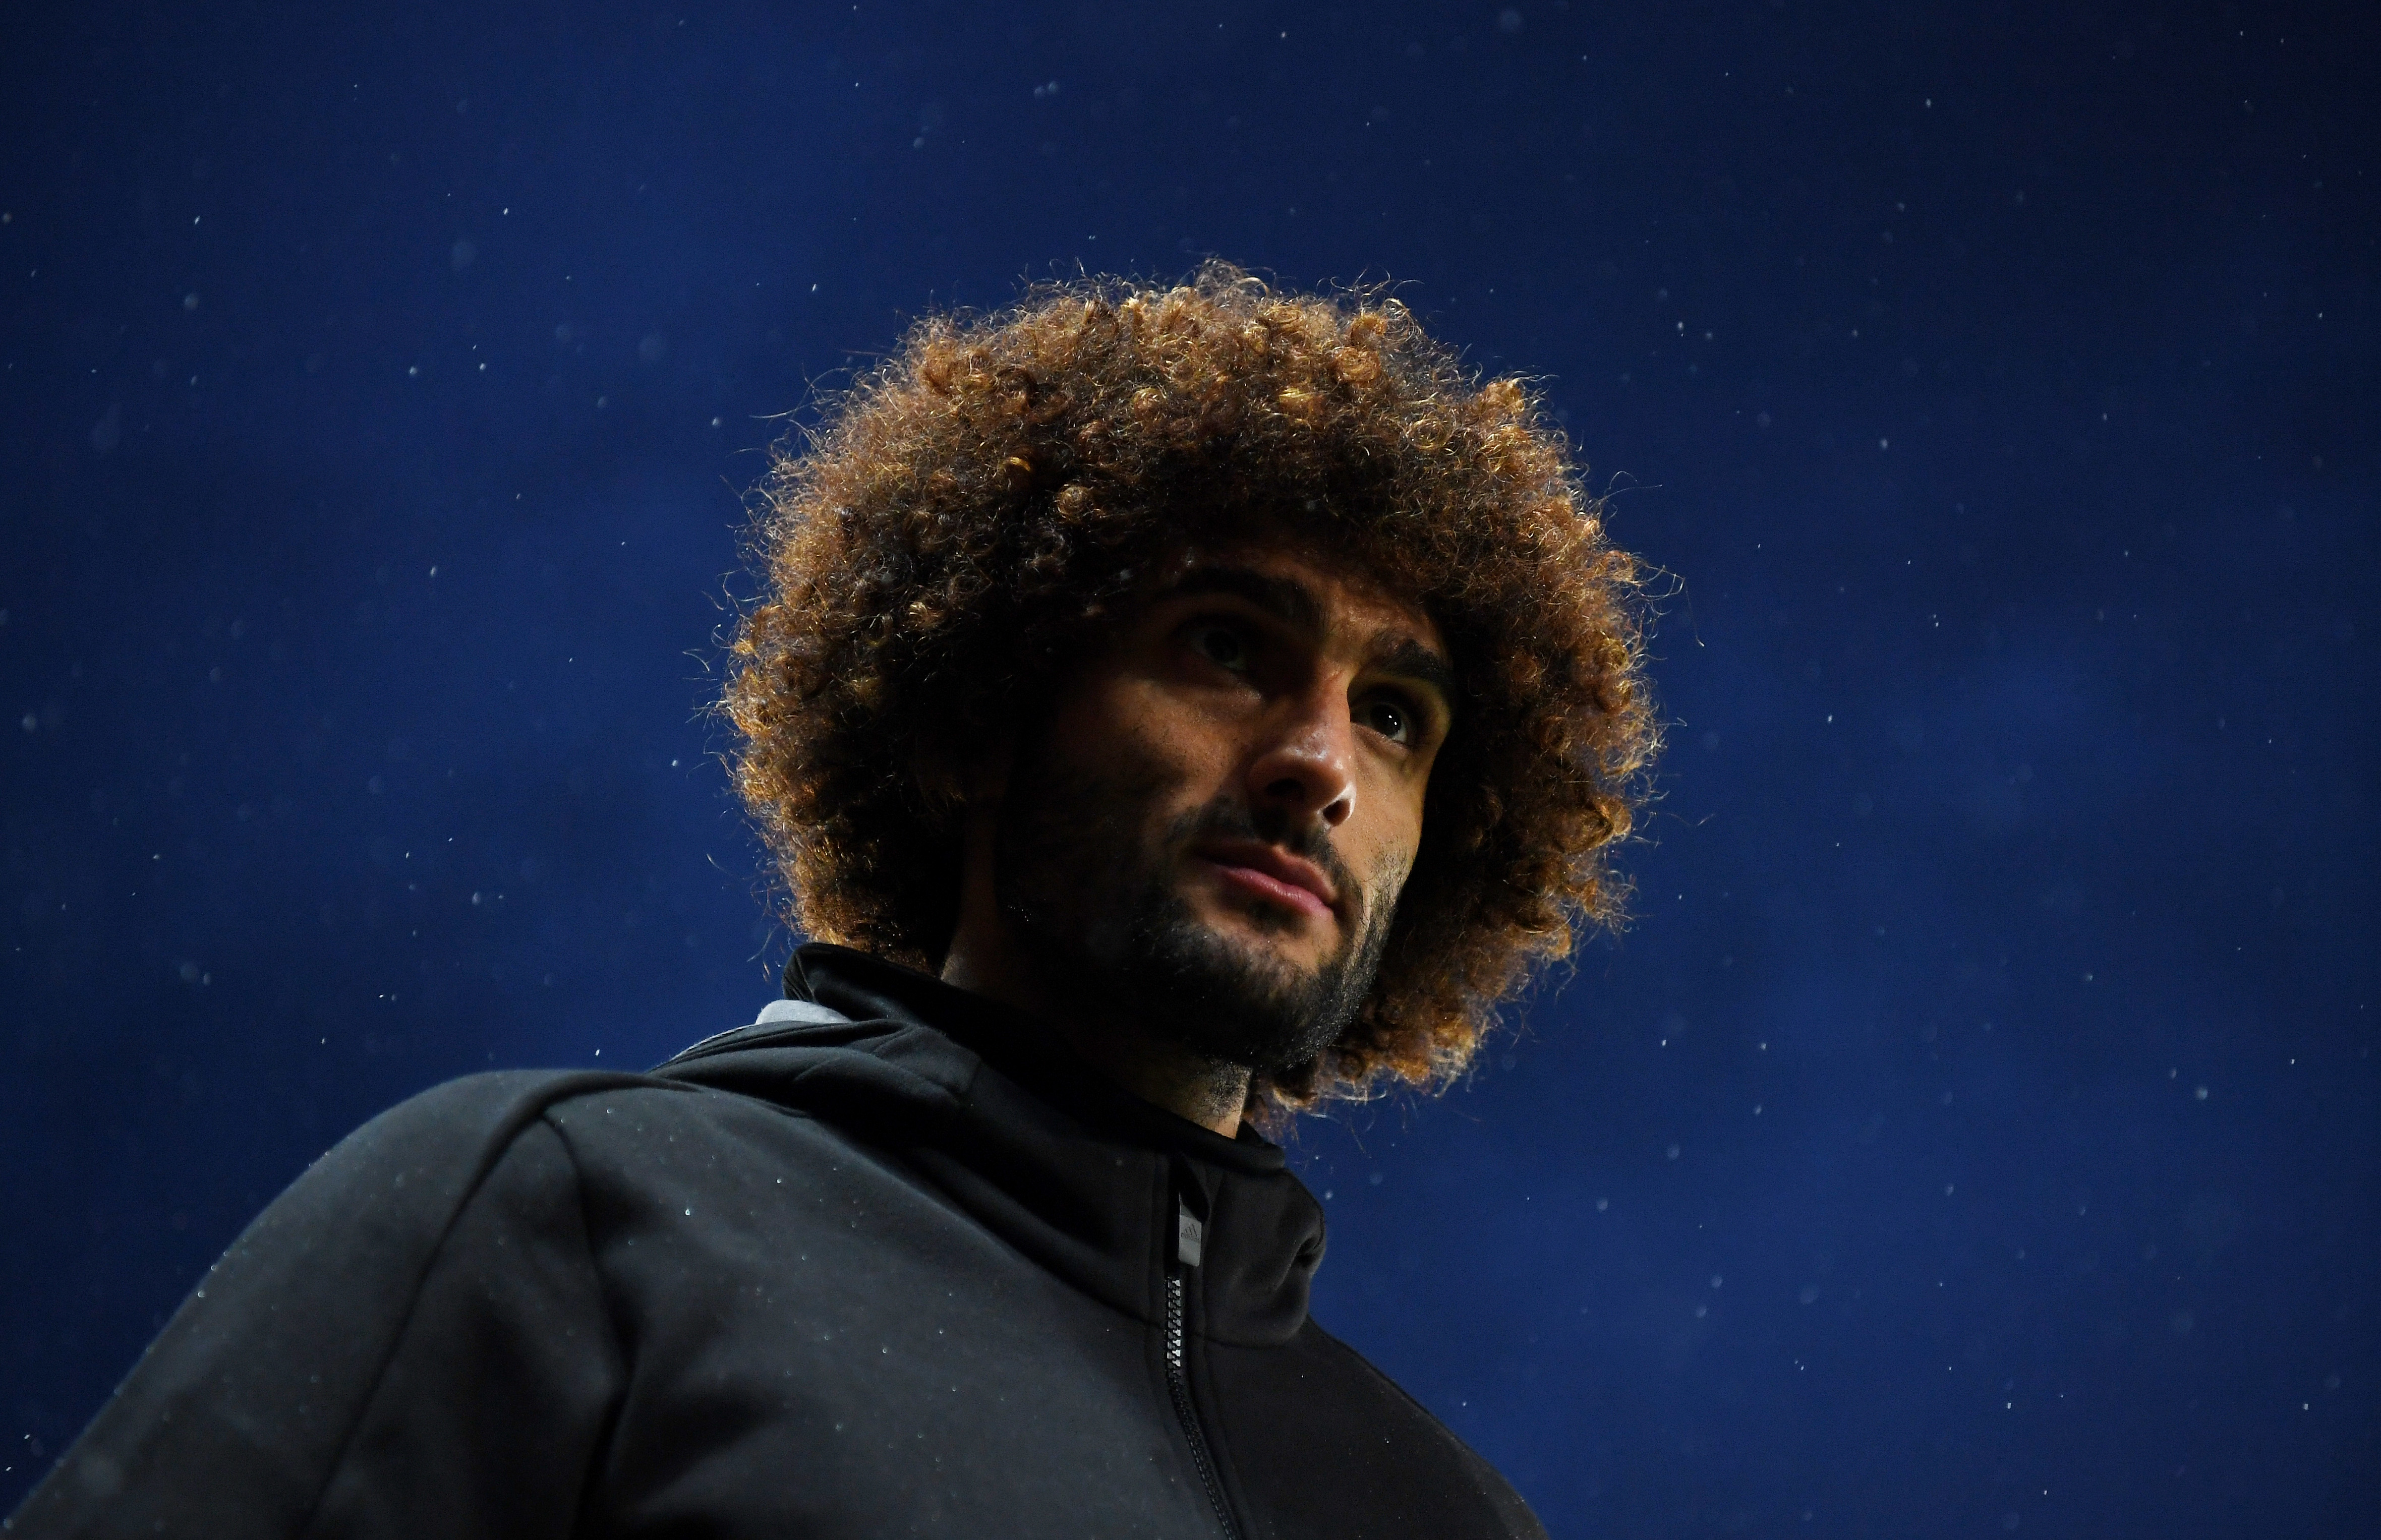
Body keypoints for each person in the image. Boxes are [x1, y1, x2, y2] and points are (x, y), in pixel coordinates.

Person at [9, 263, 1658, 1538]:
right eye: (1227, 645)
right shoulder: (565, 1219)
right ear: (971, 723)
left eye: (1396, 715)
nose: (1320, 764)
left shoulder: (1449, 1513)